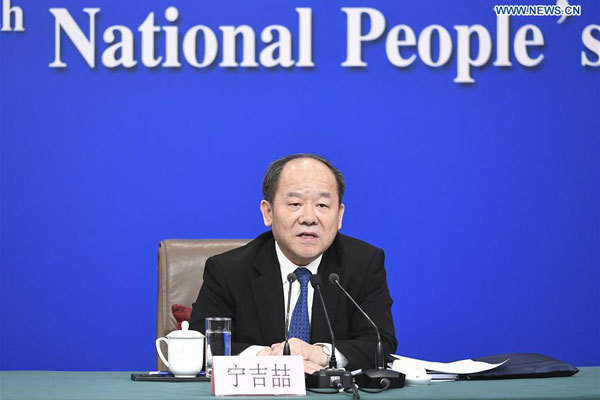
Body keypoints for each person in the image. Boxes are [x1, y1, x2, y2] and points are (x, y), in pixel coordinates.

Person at [190, 154, 397, 372]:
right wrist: (264, 356)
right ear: (267, 212)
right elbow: (202, 342)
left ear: (340, 216)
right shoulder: (228, 270)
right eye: (295, 203)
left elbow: (380, 343)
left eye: (323, 205)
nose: (309, 217)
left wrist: (321, 354)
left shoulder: (363, 264)